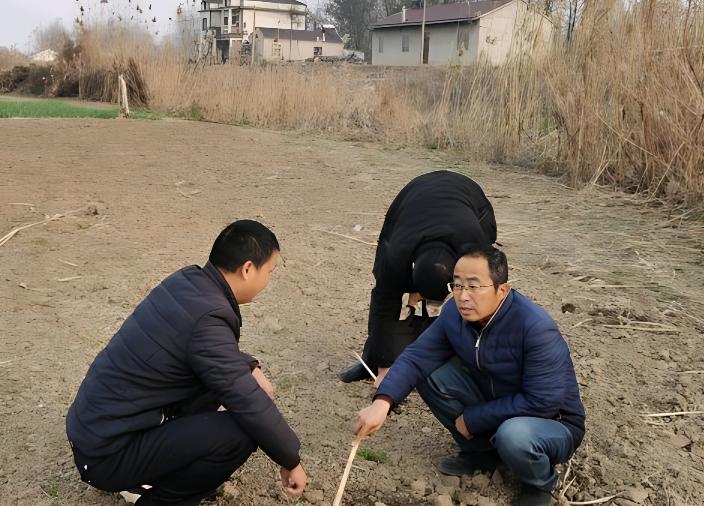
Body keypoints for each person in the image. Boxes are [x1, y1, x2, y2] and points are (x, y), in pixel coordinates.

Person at [66, 220, 306, 505]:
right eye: (270, 271)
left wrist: (248, 365)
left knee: (216, 386)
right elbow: (247, 401)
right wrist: (291, 459)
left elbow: (196, 347)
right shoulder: (209, 317)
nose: (268, 280)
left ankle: (153, 473)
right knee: (240, 433)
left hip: (96, 433)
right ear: (247, 269)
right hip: (107, 456)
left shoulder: (189, 282)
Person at [353, 247, 585, 506]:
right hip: (497, 402)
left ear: (502, 290)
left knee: (514, 435)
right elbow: (417, 356)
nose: (463, 296)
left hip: (551, 423)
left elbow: (543, 401)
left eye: (474, 286)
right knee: (428, 373)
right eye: (457, 285)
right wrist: (382, 402)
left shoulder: (534, 327)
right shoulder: (454, 313)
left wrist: (475, 418)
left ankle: (539, 483)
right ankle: (483, 453)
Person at [339, 170, 497, 386]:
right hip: (410, 203)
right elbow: (384, 303)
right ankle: (374, 362)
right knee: (388, 297)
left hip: (471, 201)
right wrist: (386, 370)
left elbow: (495, 296)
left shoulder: (475, 250)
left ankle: (452, 358)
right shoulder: (394, 255)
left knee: (479, 299)